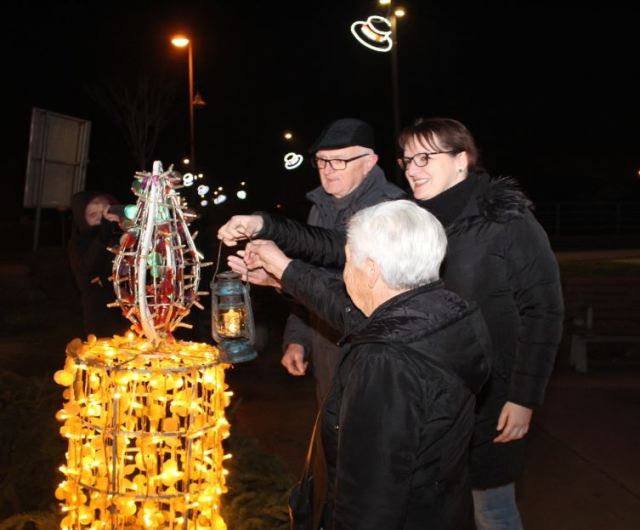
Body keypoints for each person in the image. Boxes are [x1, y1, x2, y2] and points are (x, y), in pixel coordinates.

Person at [218, 117, 564, 529]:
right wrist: (267, 228)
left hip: (489, 393)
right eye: (408, 159)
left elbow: (545, 312)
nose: (413, 168)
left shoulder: (507, 223)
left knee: (492, 505)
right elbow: (337, 247)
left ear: (462, 160)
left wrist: (524, 397)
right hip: (423, 388)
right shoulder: (413, 217)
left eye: (425, 157)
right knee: (439, 504)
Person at [235, 200, 491, 529]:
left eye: (347, 261)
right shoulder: (447, 314)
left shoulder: (385, 361)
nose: (344, 273)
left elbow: (369, 500)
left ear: (371, 270)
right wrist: (283, 275)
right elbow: (351, 312)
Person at [280, 118, 404, 404]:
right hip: (325, 349)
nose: (327, 170)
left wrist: (282, 269)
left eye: (338, 161)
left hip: (371, 354)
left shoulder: (392, 212)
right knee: (332, 441)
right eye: (321, 161)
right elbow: (308, 277)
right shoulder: (319, 208)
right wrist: (298, 340)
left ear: (369, 162)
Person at [69, 191, 127, 337]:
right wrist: (104, 234)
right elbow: (87, 270)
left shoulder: (124, 236)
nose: (100, 219)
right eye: (92, 215)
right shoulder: (79, 242)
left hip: (129, 313)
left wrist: (112, 276)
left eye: (104, 213)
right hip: (101, 316)